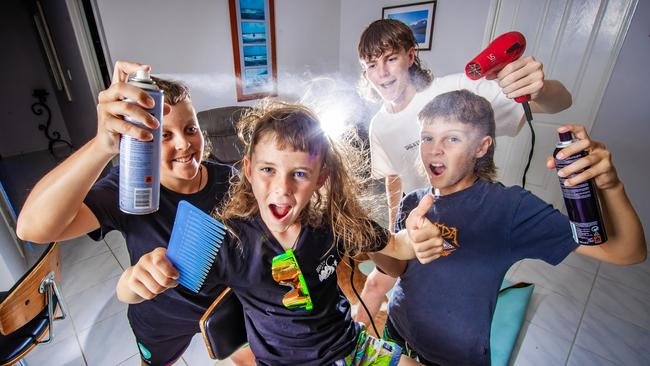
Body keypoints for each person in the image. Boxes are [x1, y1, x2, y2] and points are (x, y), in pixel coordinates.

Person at [115, 99, 446, 366]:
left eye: (299, 173)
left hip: (352, 347)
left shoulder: (336, 222)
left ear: (320, 178)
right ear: (248, 170)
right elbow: (132, 293)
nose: (282, 189)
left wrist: (415, 237)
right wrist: (134, 280)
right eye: (268, 170)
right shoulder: (228, 243)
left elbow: (399, 247)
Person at [379, 89, 646, 365]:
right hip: (396, 333)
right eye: (427, 138)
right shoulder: (413, 201)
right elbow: (397, 268)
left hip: (451, 358)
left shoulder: (508, 208)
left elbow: (627, 251)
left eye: (452, 138)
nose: (435, 149)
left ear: (481, 147)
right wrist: (371, 242)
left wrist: (611, 186)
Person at [16, 61, 255, 366]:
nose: (184, 143)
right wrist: (101, 146)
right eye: (164, 136)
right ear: (139, 138)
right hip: (160, 319)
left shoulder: (232, 180)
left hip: (222, 308)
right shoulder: (128, 190)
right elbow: (31, 228)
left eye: (190, 129)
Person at [355, 19, 573, 327]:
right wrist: (393, 230)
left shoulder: (457, 91)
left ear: (410, 56)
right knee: (377, 283)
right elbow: (393, 178)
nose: (382, 73)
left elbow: (558, 103)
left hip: (466, 222)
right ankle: (350, 350)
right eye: (371, 65)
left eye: (390, 59)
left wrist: (540, 88)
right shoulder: (380, 125)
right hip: (418, 220)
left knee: (443, 307)